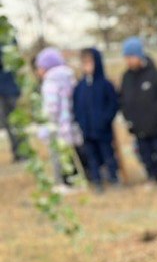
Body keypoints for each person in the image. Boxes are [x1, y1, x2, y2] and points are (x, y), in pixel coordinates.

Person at [119, 37, 157, 191]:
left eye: (131, 57)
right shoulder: (126, 77)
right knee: (144, 154)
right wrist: (128, 117)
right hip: (138, 125)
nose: (129, 61)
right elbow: (123, 99)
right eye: (126, 57)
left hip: (155, 124)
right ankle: (152, 177)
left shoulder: (153, 74)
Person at [35, 47, 83, 192]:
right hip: (70, 122)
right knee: (73, 154)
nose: (38, 71)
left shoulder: (50, 81)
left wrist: (44, 121)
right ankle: (78, 180)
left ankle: (66, 184)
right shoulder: (69, 77)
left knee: (60, 156)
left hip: (56, 126)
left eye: (39, 67)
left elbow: (52, 107)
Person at [72, 48, 120, 191]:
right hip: (87, 130)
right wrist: (81, 122)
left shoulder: (105, 84)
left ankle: (113, 177)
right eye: (84, 63)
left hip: (103, 129)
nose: (86, 66)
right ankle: (97, 180)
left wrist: (105, 120)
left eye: (89, 62)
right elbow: (77, 106)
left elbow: (113, 104)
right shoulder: (80, 87)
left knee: (107, 154)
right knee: (92, 156)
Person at [0, 40, 23, 162]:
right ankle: (16, 151)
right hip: (2, 91)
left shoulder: (8, 39)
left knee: (18, 122)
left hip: (12, 88)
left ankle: (23, 151)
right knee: (7, 123)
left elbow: (15, 59)